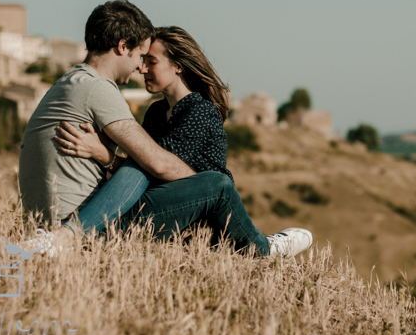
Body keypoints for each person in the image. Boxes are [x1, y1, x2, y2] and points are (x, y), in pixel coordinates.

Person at [24, 19, 311, 258]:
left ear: (177, 66)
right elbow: (145, 170)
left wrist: (106, 155)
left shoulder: (200, 111)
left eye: (152, 62)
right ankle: (69, 236)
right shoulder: (155, 112)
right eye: (143, 61)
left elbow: (162, 170)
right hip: (154, 208)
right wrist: (108, 157)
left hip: (200, 213)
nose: (142, 68)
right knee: (141, 163)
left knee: (216, 183)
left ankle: (265, 248)